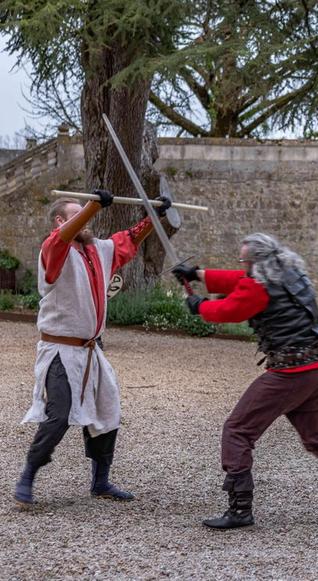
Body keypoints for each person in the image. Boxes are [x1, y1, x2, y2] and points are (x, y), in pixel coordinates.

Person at [174, 233, 318, 529]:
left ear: (257, 262)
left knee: (237, 430)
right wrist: (197, 274)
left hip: (291, 374)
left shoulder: (260, 287)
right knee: (316, 438)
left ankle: (240, 510)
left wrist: (198, 306)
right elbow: (240, 279)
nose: (245, 266)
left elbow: (229, 309)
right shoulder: (290, 272)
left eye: (246, 261)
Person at [14, 192, 172, 505]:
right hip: (60, 350)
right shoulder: (53, 248)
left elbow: (129, 239)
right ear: (63, 220)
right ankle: (28, 476)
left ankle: (101, 482)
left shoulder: (98, 249)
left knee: (108, 410)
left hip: (90, 352)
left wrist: (158, 216)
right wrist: (94, 205)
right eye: (80, 214)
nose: (89, 220)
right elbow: (64, 237)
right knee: (58, 416)